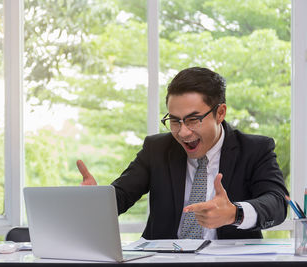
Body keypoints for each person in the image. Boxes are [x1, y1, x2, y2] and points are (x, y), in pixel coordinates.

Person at [77, 66, 288, 240]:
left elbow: (277, 203)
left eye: (193, 119)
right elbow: (121, 195)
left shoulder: (254, 149)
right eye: (175, 120)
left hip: (228, 261)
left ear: (220, 113)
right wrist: (95, 201)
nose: (183, 132)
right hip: (164, 260)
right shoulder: (157, 149)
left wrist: (235, 213)